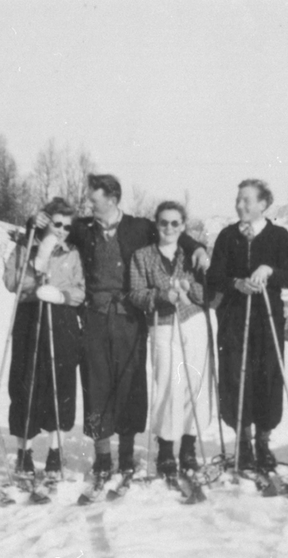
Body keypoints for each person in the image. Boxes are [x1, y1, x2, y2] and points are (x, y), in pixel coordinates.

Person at [33, 173, 207, 491]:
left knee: (130, 384)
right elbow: (54, 230)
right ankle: (102, 458)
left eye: (94, 199)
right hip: (95, 316)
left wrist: (195, 247)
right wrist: (38, 220)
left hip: (130, 317)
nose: (90, 204)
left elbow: (173, 234)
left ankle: (126, 456)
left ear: (112, 200)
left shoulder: (138, 227)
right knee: (97, 383)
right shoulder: (84, 228)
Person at [207, 179, 288, 472]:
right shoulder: (227, 236)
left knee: (267, 375)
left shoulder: (278, 235)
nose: (240, 205)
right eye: (238, 200)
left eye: (247, 200)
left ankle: (263, 442)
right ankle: (243, 443)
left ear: (263, 204)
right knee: (235, 375)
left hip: (267, 316)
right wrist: (236, 282)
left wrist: (268, 269)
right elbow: (214, 277)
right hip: (234, 315)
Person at [129, 201, 212, 482]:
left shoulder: (191, 254)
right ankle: (166, 449)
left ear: (183, 226)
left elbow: (209, 292)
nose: (168, 228)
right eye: (163, 222)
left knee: (194, 384)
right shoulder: (142, 256)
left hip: (192, 320)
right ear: (156, 224)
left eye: (175, 223)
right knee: (167, 384)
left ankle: (188, 447)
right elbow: (136, 294)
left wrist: (192, 288)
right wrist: (163, 296)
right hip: (162, 324)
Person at [4, 197, 85, 481]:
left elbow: (80, 290)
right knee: (25, 382)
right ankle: (24, 453)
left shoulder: (71, 252)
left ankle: (54, 451)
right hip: (30, 317)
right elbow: (11, 282)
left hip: (61, 320)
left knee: (60, 384)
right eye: (57, 224)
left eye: (66, 226)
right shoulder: (25, 246)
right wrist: (36, 279)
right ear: (45, 222)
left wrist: (61, 294)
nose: (62, 230)